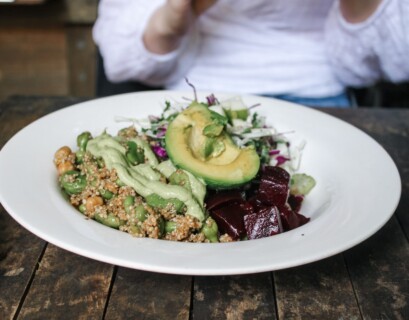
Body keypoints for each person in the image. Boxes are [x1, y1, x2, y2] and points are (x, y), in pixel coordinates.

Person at [93, 0, 409, 107]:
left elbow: (382, 63)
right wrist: (178, 10)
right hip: (199, 93)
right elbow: (120, 59)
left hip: (321, 95)